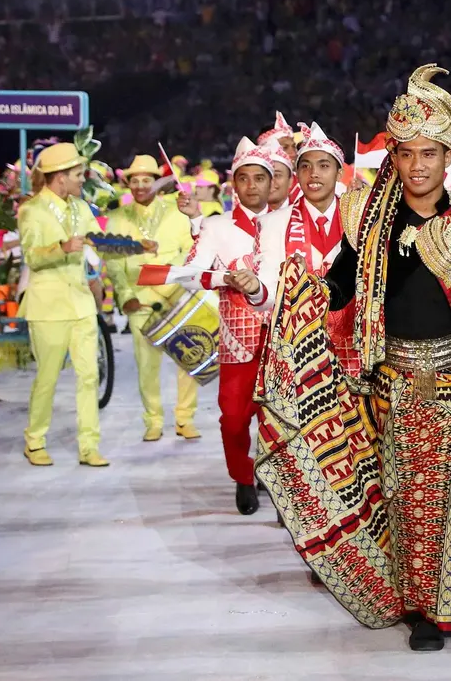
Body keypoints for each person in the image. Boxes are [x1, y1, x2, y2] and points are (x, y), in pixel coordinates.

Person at [247, 65, 451, 650]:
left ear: (444, 155)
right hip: (396, 382)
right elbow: (340, 285)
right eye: (407, 154)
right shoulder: (371, 222)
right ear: (397, 158)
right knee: (411, 501)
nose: (418, 165)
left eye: (429, 153)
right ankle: (426, 612)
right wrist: (299, 292)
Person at [177, 138, 278, 514]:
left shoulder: (285, 223)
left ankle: (281, 482)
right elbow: (190, 274)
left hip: (284, 338)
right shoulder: (217, 227)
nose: (252, 186)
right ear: (233, 185)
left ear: (273, 184)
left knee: (281, 418)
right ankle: (242, 476)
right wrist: (226, 278)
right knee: (234, 420)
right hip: (238, 339)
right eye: (244, 179)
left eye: (260, 178)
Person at [17, 143, 108, 467]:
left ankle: (89, 446)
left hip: (81, 303)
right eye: (78, 175)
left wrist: (130, 246)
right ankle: (35, 441)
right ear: (59, 178)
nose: (83, 180)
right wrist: (62, 246)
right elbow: (31, 258)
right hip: (47, 307)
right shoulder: (32, 210)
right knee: (48, 377)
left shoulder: (80, 208)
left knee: (89, 377)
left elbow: (98, 239)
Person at [106, 154, 200, 442]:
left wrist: (175, 273)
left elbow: (191, 250)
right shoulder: (118, 218)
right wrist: (124, 296)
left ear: (158, 184)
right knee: (147, 365)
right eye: (134, 181)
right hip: (140, 300)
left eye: (147, 180)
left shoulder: (176, 213)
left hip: (176, 296)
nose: (140, 186)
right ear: (127, 184)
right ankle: (153, 420)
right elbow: (113, 261)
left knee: (189, 359)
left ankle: (185, 417)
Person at [254, 121, 360, 374]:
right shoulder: (272, 223)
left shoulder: (361, 219)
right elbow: (267, 291)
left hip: (355, 349)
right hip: (298, 353)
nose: (314, 174)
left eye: (324, 166)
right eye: (305, 166)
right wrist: (255, 290)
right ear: (297, 173)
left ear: (339, 172)